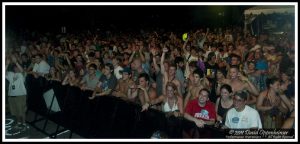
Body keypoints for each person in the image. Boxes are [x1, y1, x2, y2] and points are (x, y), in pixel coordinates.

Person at [5, 55, 28, 133]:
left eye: (17, 67)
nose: (16, 68)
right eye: (15, 67)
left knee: (22, 111)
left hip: (20, 96)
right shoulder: (11, 74)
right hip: (11, 96)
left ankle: (24, 124)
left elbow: (22, 71)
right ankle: (18, 123)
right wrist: (7, 64)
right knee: (15, 111)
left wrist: (16, 62)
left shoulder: (22, 75)